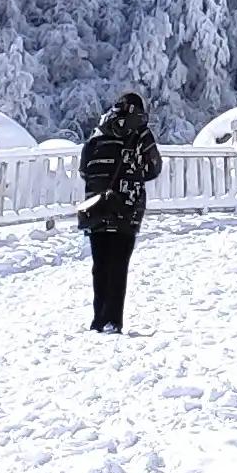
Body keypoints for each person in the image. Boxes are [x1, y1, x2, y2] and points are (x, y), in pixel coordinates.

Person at [76, 91, 160, 332]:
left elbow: (84, 170)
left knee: (100, 265)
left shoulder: (97, 134)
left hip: (97, 208)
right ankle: (113, 319)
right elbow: (154, 168)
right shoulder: (138, 132)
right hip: (127, 207)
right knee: (118, 264)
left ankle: (98, 319)